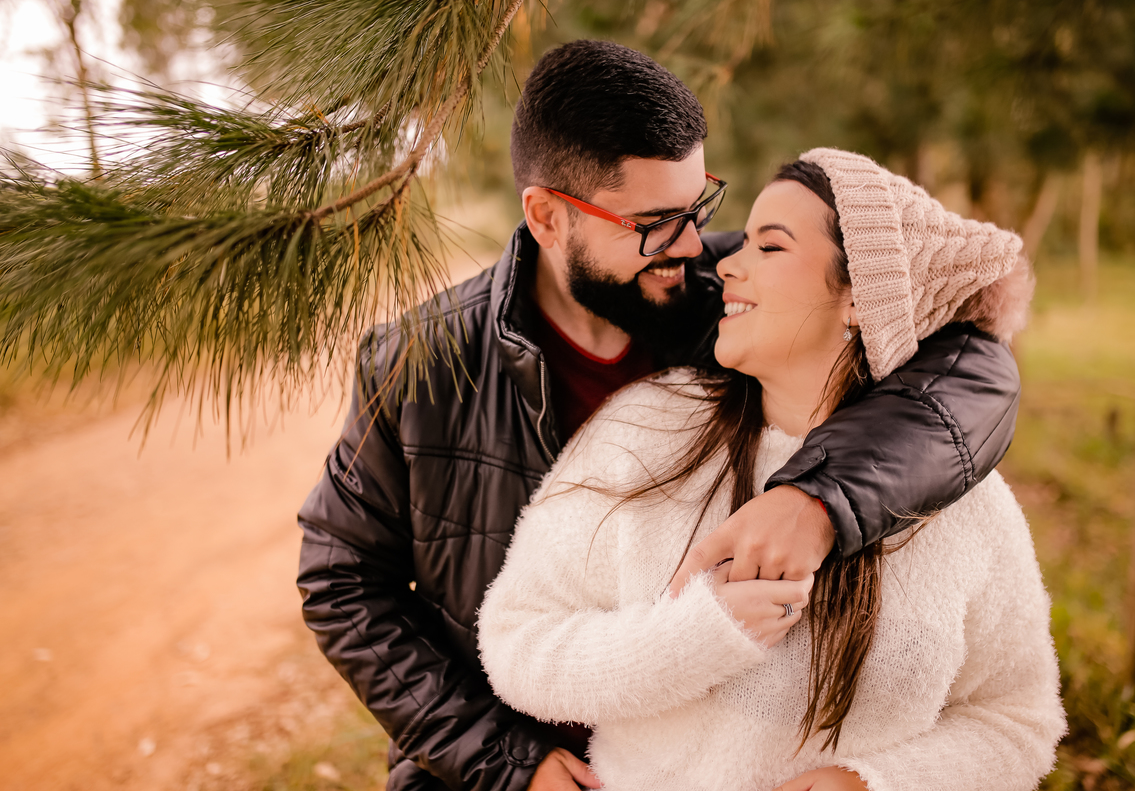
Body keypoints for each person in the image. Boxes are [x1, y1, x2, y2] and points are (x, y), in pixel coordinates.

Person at [297, 41, 1024, 791]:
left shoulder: (729, 305)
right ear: (548, 217)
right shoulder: (418, 363)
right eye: (652, 221)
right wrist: (504, 761)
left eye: (696, 206)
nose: (691, 244)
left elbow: (973, 366)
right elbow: (341, 580)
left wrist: (816, 501)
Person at [478, 149, 1064, 791]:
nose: (725, 264)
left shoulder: (967, 505)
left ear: (861, 297)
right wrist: (696, 637)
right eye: (743, 242)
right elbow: (515, 641)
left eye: (771, 246)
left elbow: (1018, 720)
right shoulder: (644, 430)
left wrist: (872, 783)